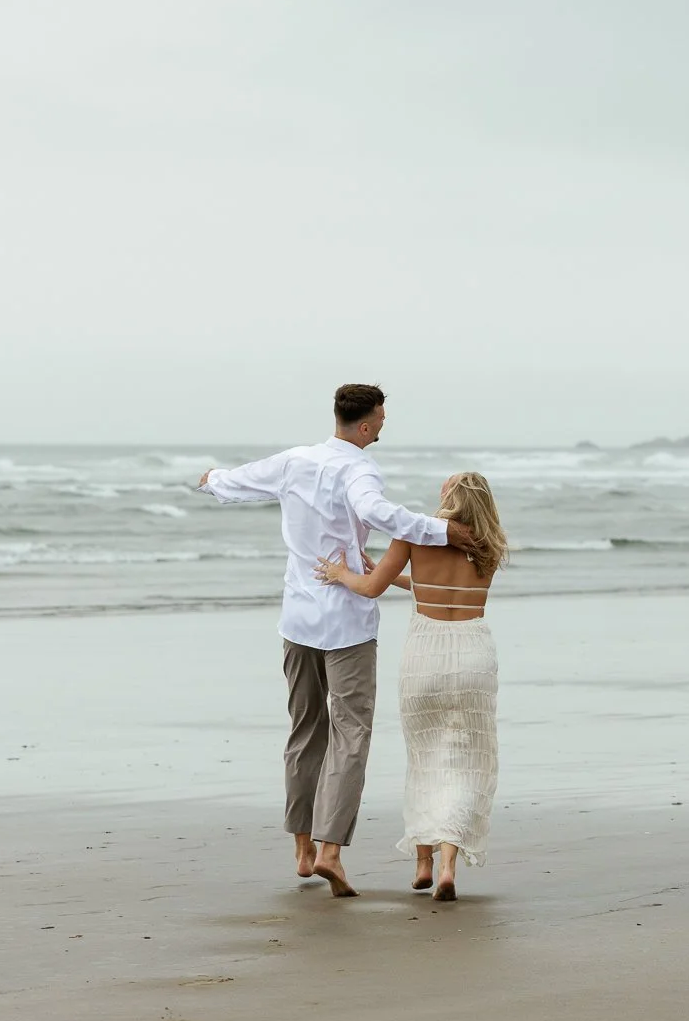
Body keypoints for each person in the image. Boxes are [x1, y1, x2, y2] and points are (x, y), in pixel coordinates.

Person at [194, 384, 478, 898]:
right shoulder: (359, 470)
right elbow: (381, 515)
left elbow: (239, 481)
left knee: (305, 731)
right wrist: (444, 533)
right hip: (347, 623)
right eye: (382, 419)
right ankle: (330, 851)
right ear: (365, 425)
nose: (384, 425)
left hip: (298, 619)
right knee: (350, 734)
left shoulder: (294, 461)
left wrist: (212, 480)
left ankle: (303, 850)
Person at [315, 471, 507, 901]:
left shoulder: (414, 534)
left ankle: (422, 861)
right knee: (464, 761)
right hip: (474, 653)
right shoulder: (490, 543)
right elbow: (444, 588)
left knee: (425, 757)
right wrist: (397, 579)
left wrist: (340, 573)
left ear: (451, 496)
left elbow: (370, 588)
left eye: (446, 485)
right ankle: (447, 866)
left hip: (426, 655)